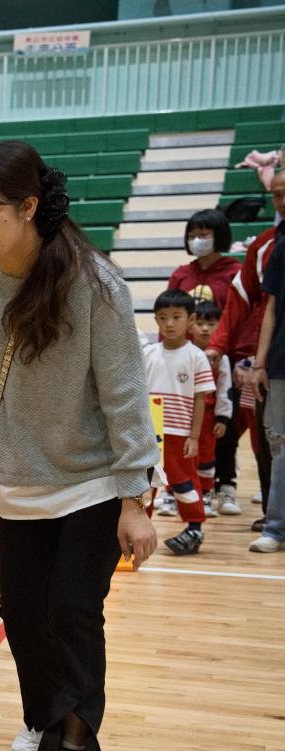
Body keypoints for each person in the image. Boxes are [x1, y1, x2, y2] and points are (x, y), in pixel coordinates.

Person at [0, 140, 158, 751]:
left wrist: (136, 501)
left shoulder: (96, 286)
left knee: (71, 614)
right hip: (21, 485)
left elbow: (124, 397)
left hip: (90, 484)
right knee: (22, 615)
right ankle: (45, 718)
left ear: (29, 206)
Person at [209, 169, 283, 523]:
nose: (283, 201)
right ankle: (274, 513)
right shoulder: (265, 246)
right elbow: (242, 302)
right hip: (271, 362)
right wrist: (219, 348)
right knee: (270, 439)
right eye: (278, 195)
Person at [144, 289, 215, 555]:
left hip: (180, 434)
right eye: (163, 318)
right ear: (156, 321)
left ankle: (194, 528)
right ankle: (140, 528)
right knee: (146, 482)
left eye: (176, 317)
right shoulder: (148, 354)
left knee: (184, 481)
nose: (169, 323)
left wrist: (194, 437)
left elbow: (200, 401)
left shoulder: (196, 356)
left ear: (191, 319)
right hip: (150, 435)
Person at [246, 232, 285, 553]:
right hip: (281, 362)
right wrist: (259, 363)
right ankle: (276, 527)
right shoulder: (281, 248)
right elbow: (270, 306)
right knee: (280, 446)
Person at [188, 299, 232, 515]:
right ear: (190, 324)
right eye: (201, 323)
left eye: (212, 323)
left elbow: (225, 389)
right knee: (180, 455)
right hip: (182, 415)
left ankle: (205, 494)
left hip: (208, 418)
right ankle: (175, 494)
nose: (205, 328)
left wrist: (222, 418)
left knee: (206, 456)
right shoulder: (184, 353)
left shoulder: (221, 359)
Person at [168, 208, 239, 308]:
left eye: (203, 235)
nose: (196, 241)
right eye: (192, 236)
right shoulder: (179, 275)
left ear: (219, 235)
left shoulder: (235, 273)